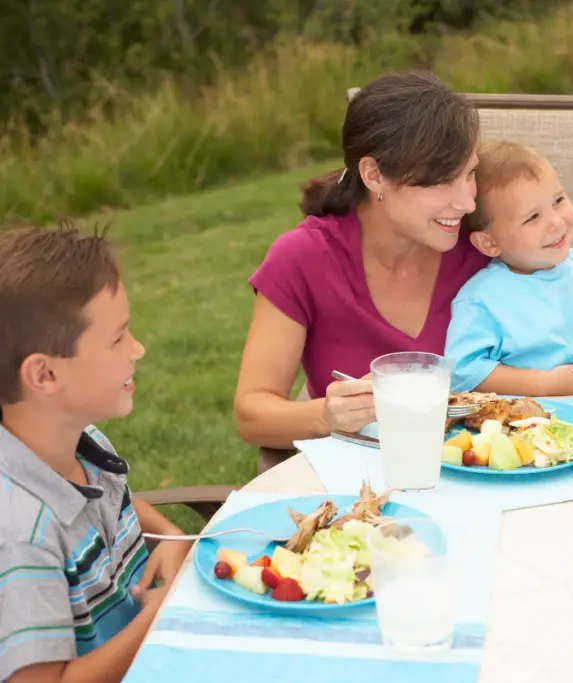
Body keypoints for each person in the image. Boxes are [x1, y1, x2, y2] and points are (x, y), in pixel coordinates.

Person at [234, 70, 488, 449]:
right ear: (373, 175)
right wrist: (326, 415)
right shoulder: (303, 260)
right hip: (361, 491)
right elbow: (252, 413)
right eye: (440, 182)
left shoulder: (483, 246)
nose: (467, 202)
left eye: (469, 174)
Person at [0, 223, 189, 682]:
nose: (138, 349)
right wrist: (157, 619)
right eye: (118, 338)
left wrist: (168, 533)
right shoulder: (20, 534)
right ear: (44, 375)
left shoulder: (83, 443)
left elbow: (110, 502)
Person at [444, 140, 573, 396]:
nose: (555, 222)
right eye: (532, 217)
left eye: (558, 200)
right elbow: (462, 369)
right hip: (534, 421)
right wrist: (540, 384)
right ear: (489, 243)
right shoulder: (483, 299)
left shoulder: (572, 263)